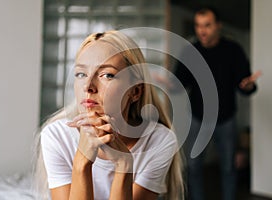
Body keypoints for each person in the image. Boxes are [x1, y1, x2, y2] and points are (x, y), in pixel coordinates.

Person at [34, 30, 184, 200]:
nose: (88, 86)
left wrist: (124, 164)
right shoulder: (57, 136)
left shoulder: (159, 141)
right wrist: (82, 163)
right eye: (81, 74)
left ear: (135, 91)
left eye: (107, 75)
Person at [172, 7, 261, 200]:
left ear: (218, 26)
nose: (202, 30)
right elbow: (179, 84)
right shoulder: (190, 51)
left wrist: (247, 86)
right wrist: (167, 82)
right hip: (198, 118)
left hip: (226, 118)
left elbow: (245, 86)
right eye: (198, 25)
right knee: (193, 167)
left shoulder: (233, 50)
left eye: (207, 25)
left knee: (228, 167)